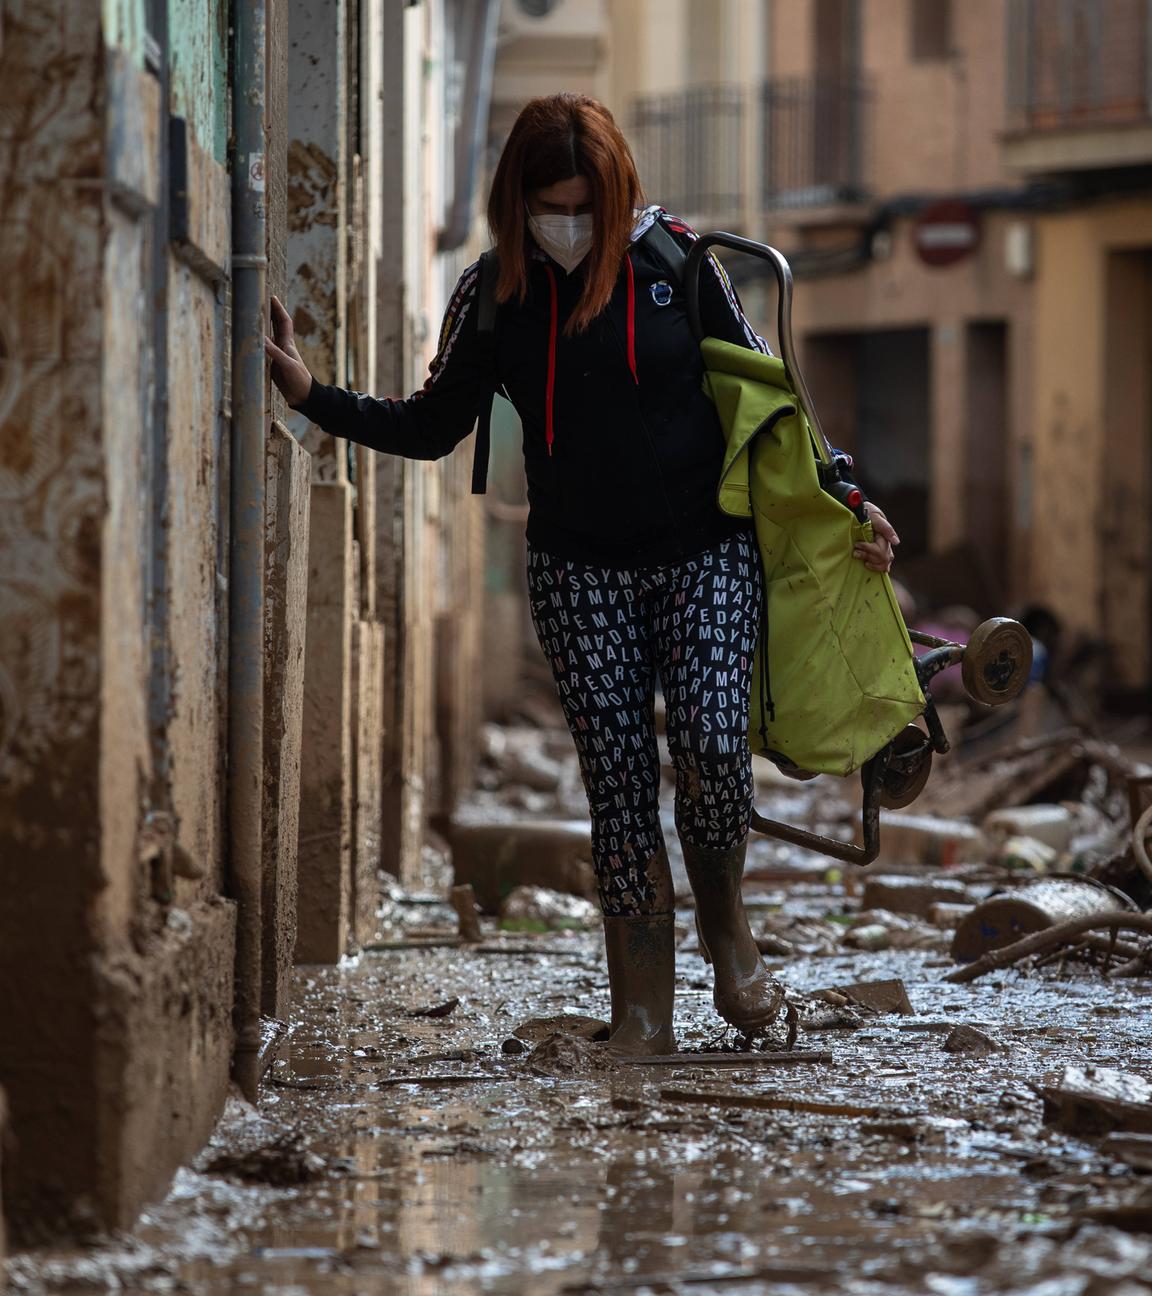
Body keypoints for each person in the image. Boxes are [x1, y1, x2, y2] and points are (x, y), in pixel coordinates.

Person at [265, 92, 898, 1055]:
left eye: (583, 205)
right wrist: (315, 397)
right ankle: (641, 1010)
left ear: (617, 196)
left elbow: (773, 405)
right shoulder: (493, 295)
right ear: (515, 200)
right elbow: (434, 425)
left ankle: (727, 929)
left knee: (715, 747)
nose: (566, 223)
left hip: (704, 552)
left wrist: (847, 496)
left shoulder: (682, 267)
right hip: (576, 570)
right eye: (547, 204)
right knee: (614, 781)